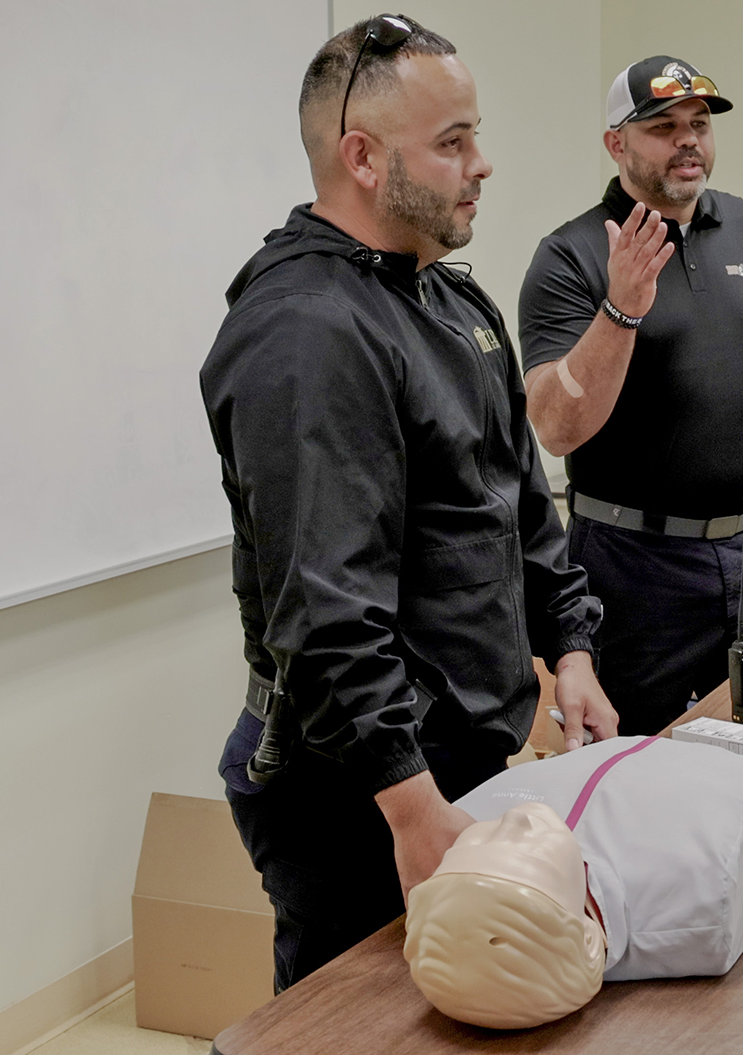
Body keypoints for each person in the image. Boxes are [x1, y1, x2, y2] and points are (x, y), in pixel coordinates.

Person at [198, 14, 620, 993]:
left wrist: (571, 651)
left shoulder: (450, 305)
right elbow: (324, 605)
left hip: (455, 757)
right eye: (452, 142)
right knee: (350, 1021)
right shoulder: (306, 332)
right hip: (357, 786)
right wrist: (411, 806)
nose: (482, 164)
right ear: (360, 156)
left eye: (474, 133)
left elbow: (521, 509)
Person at [518, 55, 743, 737]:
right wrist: (621, 308)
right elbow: (556, 428)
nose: (688, 139)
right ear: (615, 143)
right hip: (631, 568)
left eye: (699, 123)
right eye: (662, 125)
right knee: (641, 767)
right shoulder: (571, 257)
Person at [404, 736, 743, 1028]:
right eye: (522, 852)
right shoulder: (701, 877)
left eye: (484, 840)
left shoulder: (462, 816)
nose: (515, 819)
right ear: (586, 937)